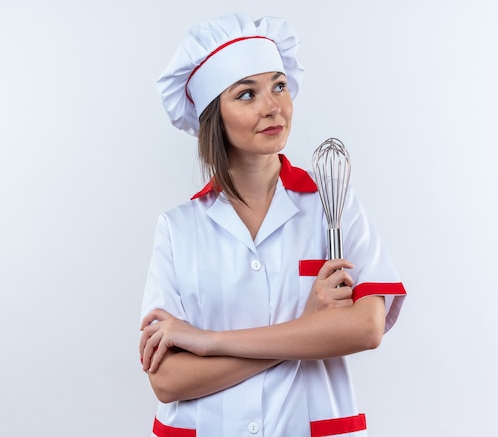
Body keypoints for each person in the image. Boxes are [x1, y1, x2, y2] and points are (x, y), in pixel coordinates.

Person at [139, 13, 406, 437]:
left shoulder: (332, 204)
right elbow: (168, 380)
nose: (273, 106)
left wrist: (210, 342)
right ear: (215, 116)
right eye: (247, 94)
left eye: (279, 85)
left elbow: (367, 327)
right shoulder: (178, 229)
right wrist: (311, 328)